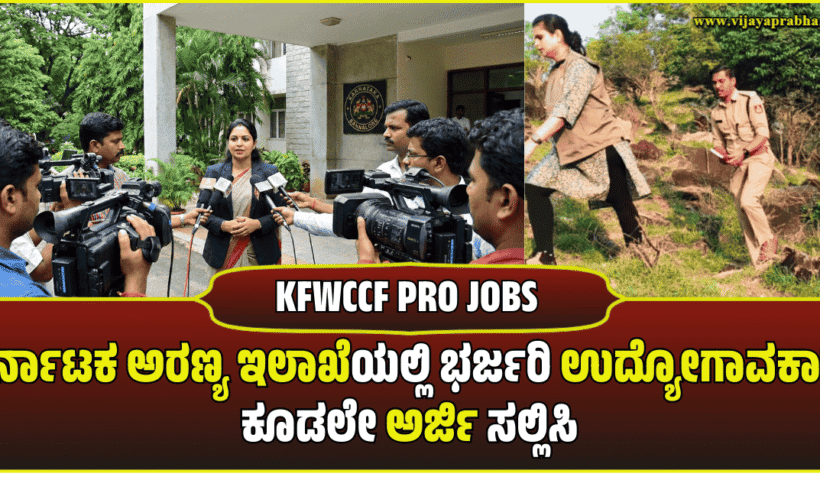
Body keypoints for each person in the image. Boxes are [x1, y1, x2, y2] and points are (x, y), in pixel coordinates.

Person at [524, 14, 650, 265]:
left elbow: (565, 111)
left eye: (540, 37)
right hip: (569, 149)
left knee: (619, 200)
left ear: (557, 35)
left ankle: (641, 257)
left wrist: (533, 141)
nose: (535, 44)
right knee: (535, 186)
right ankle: (545, 255)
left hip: (601, 147)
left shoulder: (580, 67)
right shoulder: (555, 71)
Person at [356, 108, 525, 265]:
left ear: (506, 200)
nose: (467, 190)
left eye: (473, 180)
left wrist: (367, 263)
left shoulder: (479, 242)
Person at [0, 125, 153, 297]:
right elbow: (42, 271)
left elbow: (25, 240)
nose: (39, 196)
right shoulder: (26, 295)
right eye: (37, 186)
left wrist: (59, 218)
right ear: (10, 198)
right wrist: (136, 277)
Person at [276, 100, 431, 236]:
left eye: (394, 128)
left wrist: (297, 217)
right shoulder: (384, 171)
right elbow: (357, 215)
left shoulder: (437, 174)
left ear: (417, 130)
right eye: (386, 127)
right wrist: (311, 204)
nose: (385, 134)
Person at [710, 66, 777, 269]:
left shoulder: (750, 100)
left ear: (733, 81)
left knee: (749, 200)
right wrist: (723, 155)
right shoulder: (715, 111)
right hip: (738, 164)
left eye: (721, 81)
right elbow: (717, 142)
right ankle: (759, 264)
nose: (717, 86)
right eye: (714, 83)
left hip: (759, 157)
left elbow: (763, 134)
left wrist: (744, 152)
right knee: (741, 208)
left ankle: (769, 241)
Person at [198, 119, 282, 272]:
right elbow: (200, 213)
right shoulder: (213, 172)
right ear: (228, 142)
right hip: (222, 255)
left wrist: (257, 224)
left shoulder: (270, 172)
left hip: (260, 255)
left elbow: (282, 213)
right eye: (234, 139)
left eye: (245, 139)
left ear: (254, 143)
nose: (239, 144)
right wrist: (223, 225)